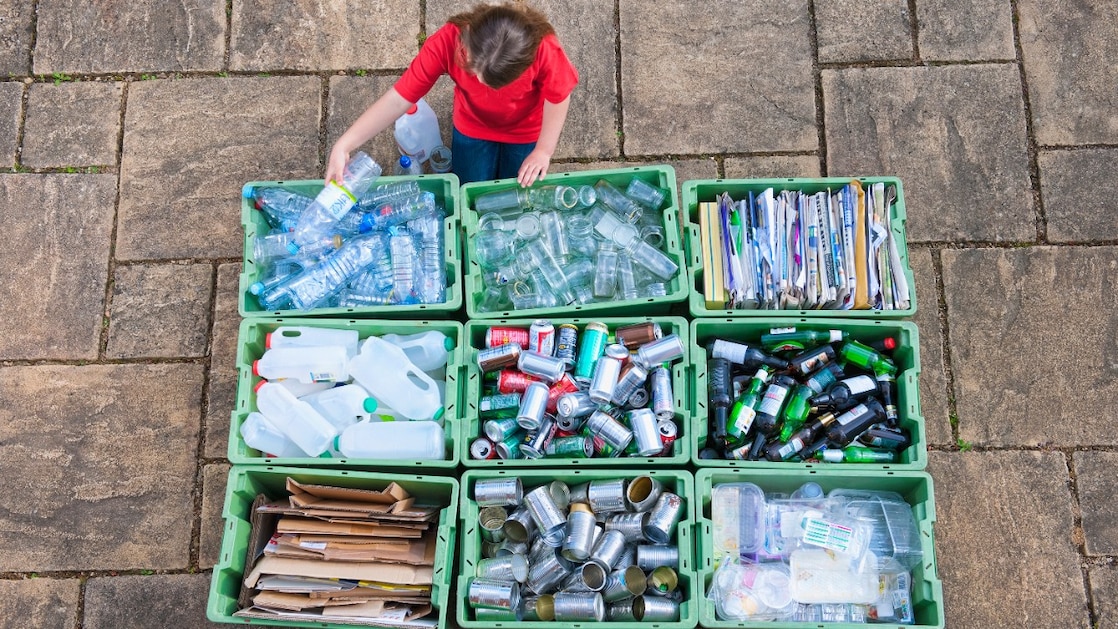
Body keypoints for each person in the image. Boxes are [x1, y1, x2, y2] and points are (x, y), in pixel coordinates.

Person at [325, 2, 579, 187]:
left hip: (526, 130)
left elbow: (558, 97)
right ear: (466, 38)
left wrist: (543, 150)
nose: (480, 83)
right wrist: (344, 144)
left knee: (514, 187)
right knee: (470, 184)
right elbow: (398, 99)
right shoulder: (447, 41)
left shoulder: (545, 49)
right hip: (473, 125)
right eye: (474, 71)